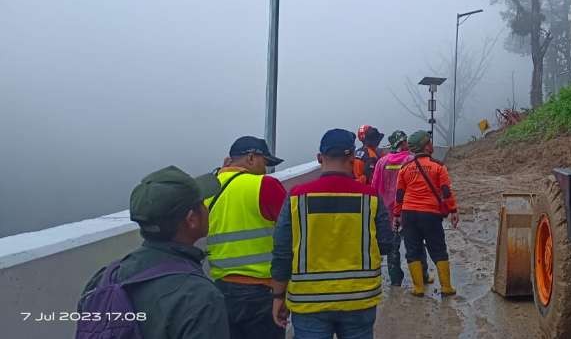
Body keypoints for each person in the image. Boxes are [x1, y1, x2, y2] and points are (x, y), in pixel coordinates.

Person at [78, 166, 229, 339]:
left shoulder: (104, 279)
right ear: (191, 219)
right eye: (202, 203)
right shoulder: (200, 297)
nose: (206, 208)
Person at [271, 129, 392, 339]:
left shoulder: (297, 197)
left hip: (309, 300)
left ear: (319, 158)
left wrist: (279, 295)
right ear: (353, 157)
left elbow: (282, 251)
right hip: (359, 297)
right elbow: (386, 244)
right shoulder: (370, 197)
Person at [206, 136, 288, 339]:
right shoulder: (265, 185)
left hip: (220, 290)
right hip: (260, 293)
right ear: (251, 157)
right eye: (265, 162)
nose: (266, 168)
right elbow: (292, 233)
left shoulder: (208, 189)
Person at [394, 130, 459, 297]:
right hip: (430, 214)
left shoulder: (405, 169)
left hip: (409, 214)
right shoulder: (438, 166)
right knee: (438, 248)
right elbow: (446, 192)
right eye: (429, 142)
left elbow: (399, 194)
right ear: (426, 145)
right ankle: (446, 287)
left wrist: (396, 215)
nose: (431, 144)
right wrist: (453, 210)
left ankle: (418, 288)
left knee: (412, 249)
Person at [371, 130, 431, 286]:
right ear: (403, 143)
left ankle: (395, 280)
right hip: (410, 210)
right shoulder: (411, 160)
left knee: (393, 248)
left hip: (388, 213)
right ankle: (422, 277)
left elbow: (374, 187)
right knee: (416, 245)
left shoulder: (381, 162)